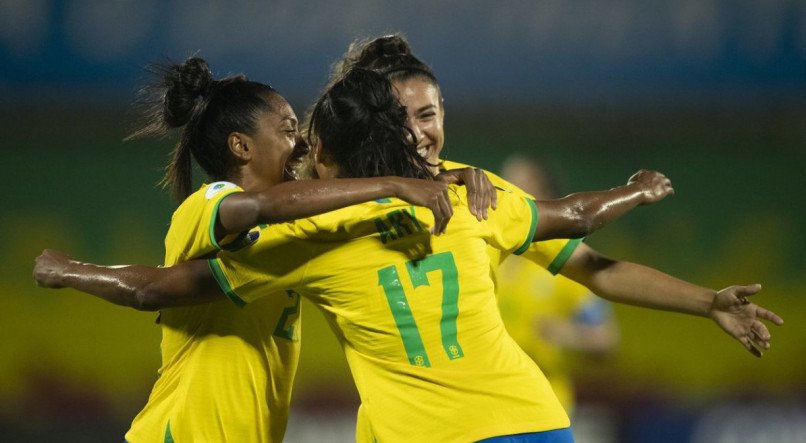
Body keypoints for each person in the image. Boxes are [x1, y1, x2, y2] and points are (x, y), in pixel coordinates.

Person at [35, 68, 783, 443]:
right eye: (417, 117)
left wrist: (703, 295)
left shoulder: (324, 240)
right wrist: (633, 190)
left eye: (436, 114)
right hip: (531, 421)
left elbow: (585, 252)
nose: (298, 145)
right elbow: (578, 220)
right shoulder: (462, 202)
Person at [101, 55, 472, 443]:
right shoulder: (212, 200)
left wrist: (448, 174)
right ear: (241, 146)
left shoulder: (287, 232)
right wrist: (392, 184)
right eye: (289, 130)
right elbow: (264, 206)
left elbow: (321, 195)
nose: (303, 145)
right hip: (184, 433)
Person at [497, 154, 619, 416]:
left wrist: (565, 333)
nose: (507, 195)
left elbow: (606, 340)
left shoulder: (564, 263)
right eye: (504, 185)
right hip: (492, 408)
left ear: (544, 195)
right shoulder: (490, 255)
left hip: (545, 408)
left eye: (518, 187)